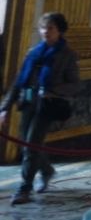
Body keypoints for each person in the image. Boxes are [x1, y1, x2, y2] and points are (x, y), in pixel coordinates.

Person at [0, 12, 81, 205]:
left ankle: (24, 188)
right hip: (28, 103)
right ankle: (46, 170)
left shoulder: (67, 55)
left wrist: (53, 90)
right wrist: (4, 108)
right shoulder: (33, 53)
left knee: (31, 145)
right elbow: (18, 82)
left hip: (47, 106)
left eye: (50, 28)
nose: (46, 32)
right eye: (43, 28)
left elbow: (75, 84)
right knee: (27, 144)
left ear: (59, 31)